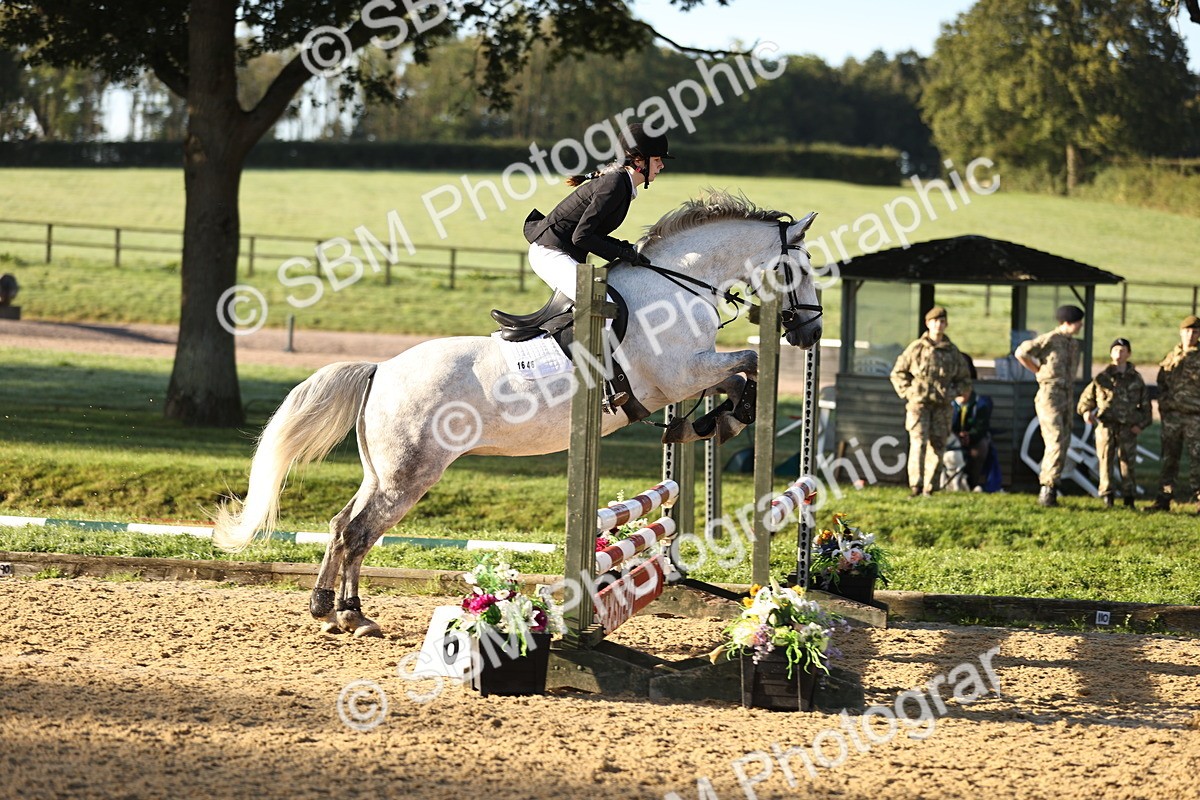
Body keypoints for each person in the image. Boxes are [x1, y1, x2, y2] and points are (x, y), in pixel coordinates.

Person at [521, 122, 671, 301]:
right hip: (551, 252)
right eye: (656, 160)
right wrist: (624, 254)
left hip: (561, 252)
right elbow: (582, 236)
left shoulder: (622, 184)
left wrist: (627, 248)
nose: (661, 165)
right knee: (599, 302)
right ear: (638, 160)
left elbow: (593, 234)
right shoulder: (614, 185)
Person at [890, 306, 972, 497]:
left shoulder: (952, 352)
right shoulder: (916, 348)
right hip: (919, 405)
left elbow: (965, 380)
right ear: (928, 323)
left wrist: (953, 393)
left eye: (942, 321)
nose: (939, 325)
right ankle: (915, 486)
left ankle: (930, 487)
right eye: (935, 321)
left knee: (938, 445)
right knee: (918, 443)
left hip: (942, 407)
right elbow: (898, 373)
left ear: (946, 324)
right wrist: (909, 391)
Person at [1015, 304, 1085, 507]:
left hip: (1067, 396)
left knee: (1063, 442)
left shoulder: (1072, 344)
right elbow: (1022, 352)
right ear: (1067, 322)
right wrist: (1037, 370)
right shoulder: (1050, 339)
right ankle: (1048, 488)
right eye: (1078, 322)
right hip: (1050, 395)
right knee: (1054, 440)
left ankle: (1052, 486)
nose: (1080, 325)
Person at [1077, 338, 1151, 508]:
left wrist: (1140, 425)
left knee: (1127, 462)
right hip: (1106, 426)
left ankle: (1129, 497)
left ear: (1129, 354)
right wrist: (1087, 412)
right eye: (1116, 350)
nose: (1119, 353)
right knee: (1105, 461)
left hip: (1128, 428)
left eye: (1123, 350)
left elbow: (1146, 407)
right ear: (1111, 353)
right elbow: (1085, 401)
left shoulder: (1136, 380)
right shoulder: (1102, 378)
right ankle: (1107, 496)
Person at [1146, 315, 1200, 513]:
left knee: (1198, 459)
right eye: (1187, 331)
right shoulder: (1172, 356)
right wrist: (1165, 407)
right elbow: (1162, 384)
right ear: (1181, 332)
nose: (1191, 335)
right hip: (1172, 418)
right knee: (1169, 458)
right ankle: (1164, 499)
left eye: (1195, 332)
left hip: (1195, 417)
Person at [951, 354, 993, 491]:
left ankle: (972, 483)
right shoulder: (949, 403)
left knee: (979, 450)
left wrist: (970, 436)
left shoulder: (980, 403)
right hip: (952, 437)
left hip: (973, 438)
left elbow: (982, 426)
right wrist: (955, 435)